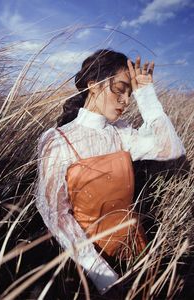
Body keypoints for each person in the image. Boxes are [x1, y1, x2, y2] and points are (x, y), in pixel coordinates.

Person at [36, 49, 186, 295]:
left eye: (130, 92)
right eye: (120, 88)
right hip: (87, 264)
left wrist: (146, 94)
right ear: (93, 85)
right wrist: (102, 275)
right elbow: (56, 214)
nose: (126, 100)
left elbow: (170, 148)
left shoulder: (120, 133)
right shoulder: (58, 140)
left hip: (135, 247)